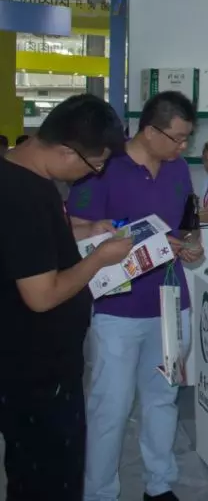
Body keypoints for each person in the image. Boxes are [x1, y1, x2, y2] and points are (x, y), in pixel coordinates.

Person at [67, 90, 204, 501]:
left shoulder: (178, 170)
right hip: (117, 310)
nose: (183, 146)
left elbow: (188, 225)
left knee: (163, 398)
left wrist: (192, 244)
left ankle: (159, 484)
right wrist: (102, 235)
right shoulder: (102, 168)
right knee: (110, 406)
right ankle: (100, 492)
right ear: (149, 131)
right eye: (178, 138)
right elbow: (72, 227)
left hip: (170, 304)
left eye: (187, 138)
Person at [0, 94, 133, 501]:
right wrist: (100, 259)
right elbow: (41, 295)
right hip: (37, 370)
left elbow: (32, 247)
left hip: (30, 363)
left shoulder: (21, 175)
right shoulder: (24, 195)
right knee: (49, 477)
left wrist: (84, 231)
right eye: (94, 165)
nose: (94, 173)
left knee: (32, 470)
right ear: (65, 150)